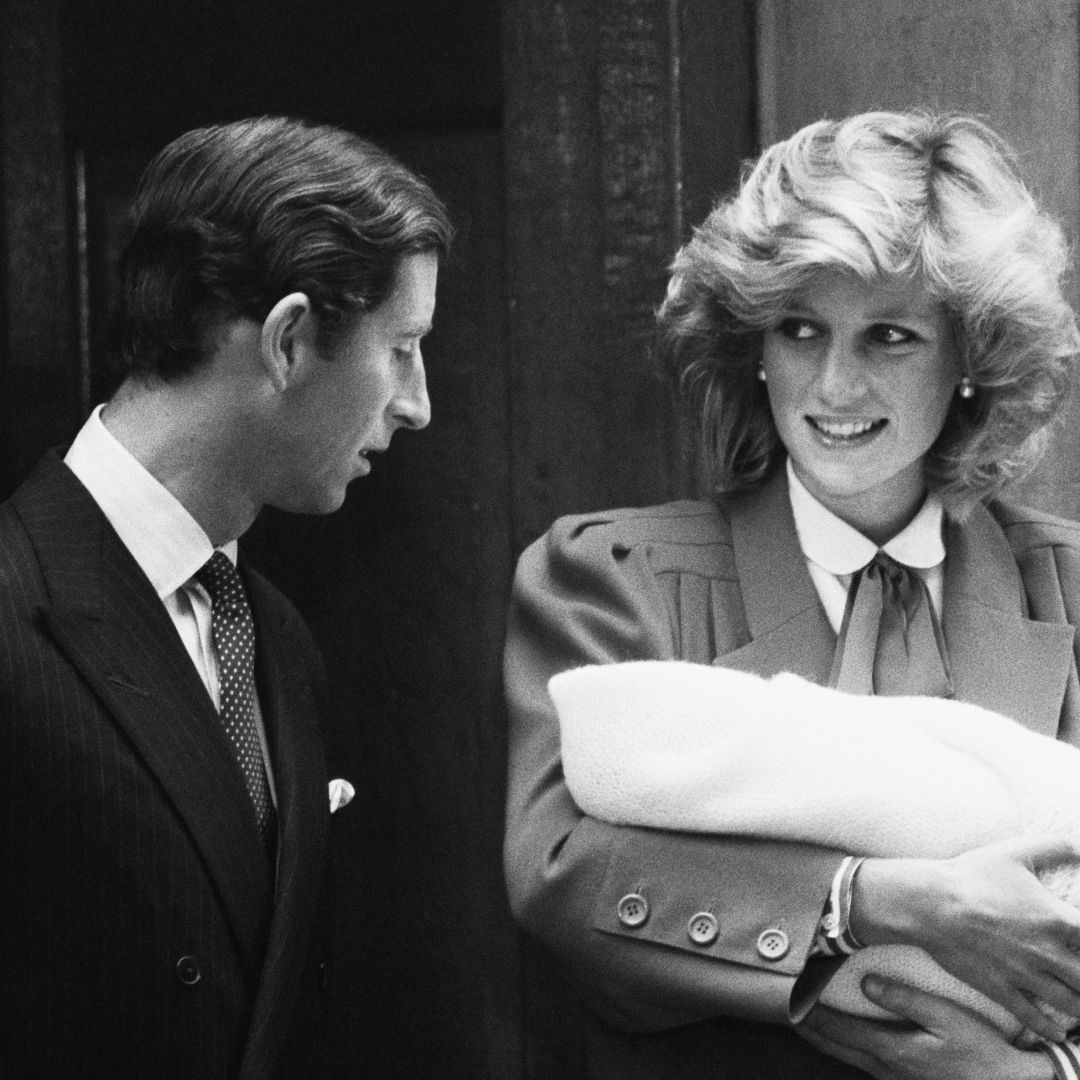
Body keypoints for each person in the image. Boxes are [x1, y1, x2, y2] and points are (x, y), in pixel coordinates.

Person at [503, 110, 1080, 1080]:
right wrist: (869, 900)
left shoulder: (1067, 586)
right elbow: (563, 878)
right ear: (753, 343)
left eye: (889, 336)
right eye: (799, 329)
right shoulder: (611, 578)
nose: (833, 385)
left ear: (973, 363)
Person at [0, 115, 451, 1079]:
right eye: (402, 347)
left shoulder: (272, 636)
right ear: (289, 341)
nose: (417, 403)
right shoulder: (11, 607)